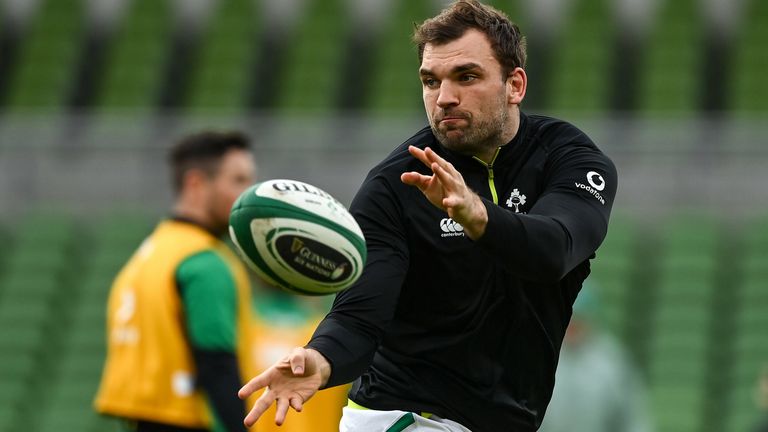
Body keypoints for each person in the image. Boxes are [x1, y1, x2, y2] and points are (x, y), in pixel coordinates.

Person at [238, 1, 618, 431]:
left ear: (515, 85)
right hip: (409, 417)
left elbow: (554, 250)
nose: (444, 98)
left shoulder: (567, 157)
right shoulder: (395, 184)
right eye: (430, 81)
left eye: (466, 77)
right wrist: (322, 359)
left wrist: (477, 215)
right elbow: (359, 316)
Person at [94, 131, 258, 432]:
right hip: (189, 420)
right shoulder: (205, 262)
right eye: (238, 180)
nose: (249, 193)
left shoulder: (150, 253)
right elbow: (217, 366)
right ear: (196, 183)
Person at [537, 287, 653, 432]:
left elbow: (633, 419)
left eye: (578, 319)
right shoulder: (541, 358)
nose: (573, 326)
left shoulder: (612, 363)